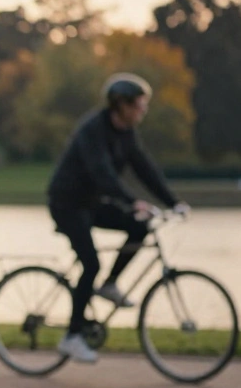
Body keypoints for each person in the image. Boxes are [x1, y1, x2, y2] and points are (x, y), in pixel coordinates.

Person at [47, 73, 190, 364]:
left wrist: (173, 202)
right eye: (139, 105)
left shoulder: (125, 133)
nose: (143, 110)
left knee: (140, 225)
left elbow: (145, 168)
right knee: (90, 263)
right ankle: (72, 337)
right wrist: (131, 201)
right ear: (121, 105)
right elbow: (102, 173)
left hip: (92, 203)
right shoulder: (92, 130)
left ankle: (110, 284)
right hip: (67, 203)